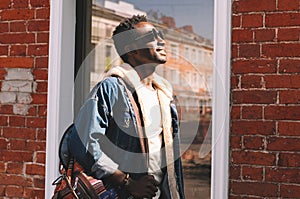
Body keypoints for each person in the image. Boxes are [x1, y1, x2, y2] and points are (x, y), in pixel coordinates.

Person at [68, 15, 185, 199]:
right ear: (132, 50)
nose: (161, 41)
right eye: (151, 37)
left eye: (159, 35)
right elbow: (82, 142)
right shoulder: (112, 88)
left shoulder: (164, 95)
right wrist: (126, 182)